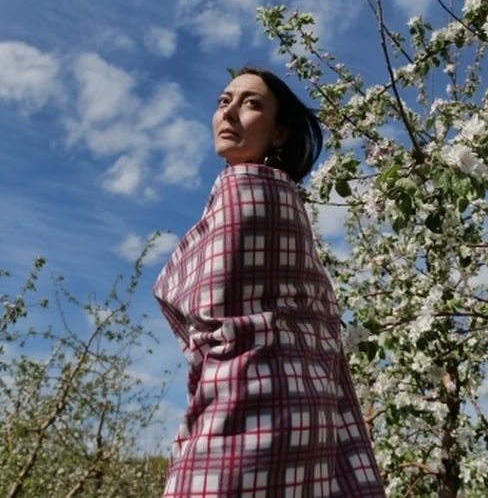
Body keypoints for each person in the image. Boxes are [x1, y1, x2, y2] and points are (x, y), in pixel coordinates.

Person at [154, 67, 386, 497]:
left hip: (248, 404)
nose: (230, 112)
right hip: (301, 404)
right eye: (224, 101)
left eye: (251, 103)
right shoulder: (282, 198)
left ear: (279, 134)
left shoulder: (251, 190)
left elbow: (211, 311)